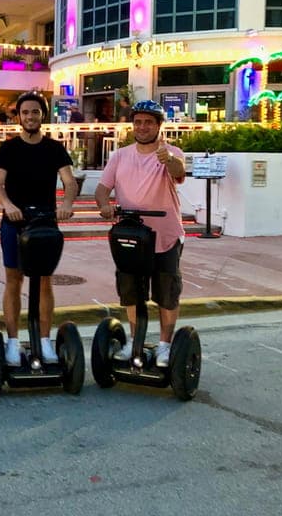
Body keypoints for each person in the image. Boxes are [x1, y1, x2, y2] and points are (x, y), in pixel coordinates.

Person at [94, 99, 186, 367]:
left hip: (165, 235)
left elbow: (179, 171)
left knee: (167, 293)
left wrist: (168, 159)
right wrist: (104, 205)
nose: (142, 127)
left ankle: (165, 347)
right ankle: (135, 341)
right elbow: (102, 189)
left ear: (158, 125)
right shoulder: (120, 156)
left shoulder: (171, 152)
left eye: (148, 122)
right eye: (138, 122)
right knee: (131, 291)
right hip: (131, 236)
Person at [0, 91, 77, 366]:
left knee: (44, 282)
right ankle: (14, 342)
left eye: (35, 112)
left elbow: (70, 182)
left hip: (44, 223)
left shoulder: (54, 148)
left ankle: (43, 339)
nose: (30, 117)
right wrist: (7, 205)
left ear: (43, 116)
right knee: (14, 280)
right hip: (14, 223)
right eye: (25, 112)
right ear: (18, 116)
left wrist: (66, 204)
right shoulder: (9, 148)